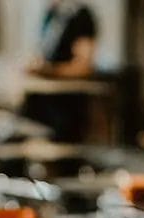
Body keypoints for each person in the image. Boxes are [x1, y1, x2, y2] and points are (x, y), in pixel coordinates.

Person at [22, 0, 99, 143]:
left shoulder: (80, 15)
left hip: (65, 109)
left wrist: (49, 71)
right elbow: (43, 55)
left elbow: (83, 67)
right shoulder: (51, 14)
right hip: (38, 103)